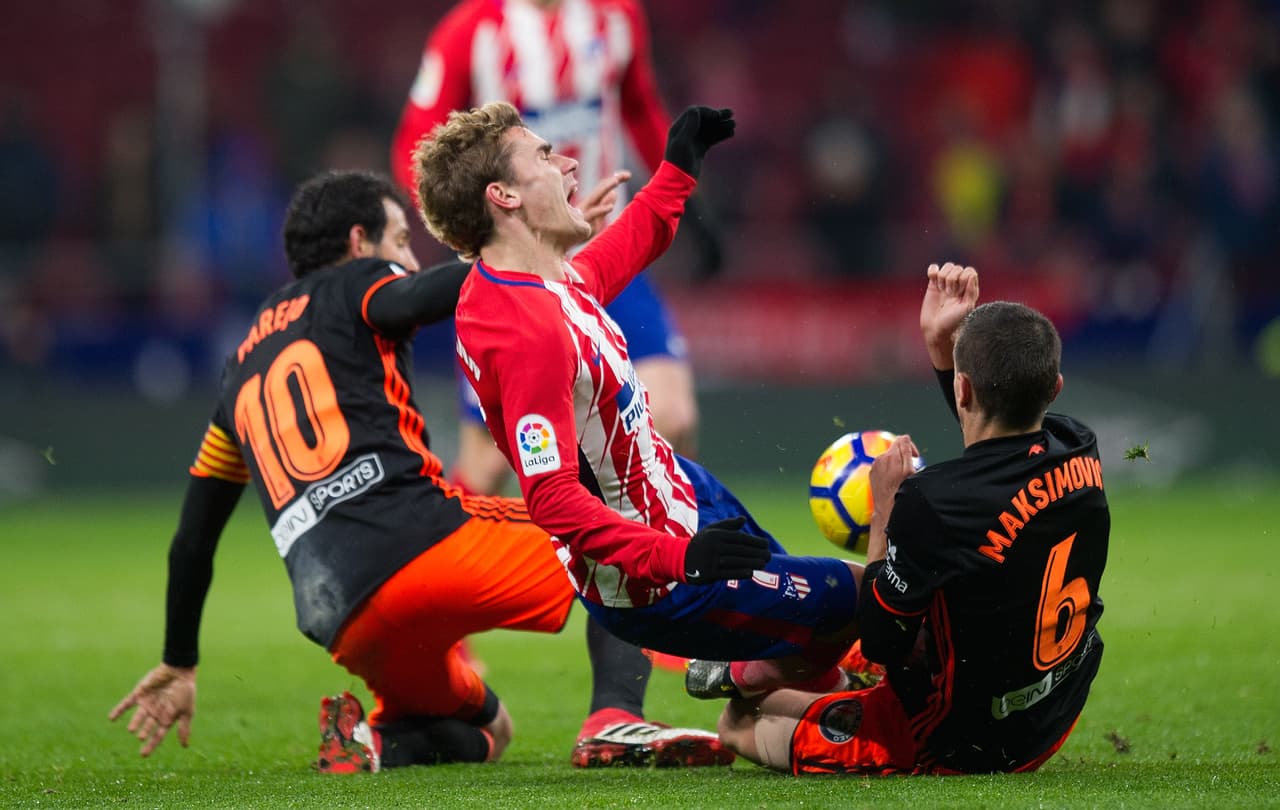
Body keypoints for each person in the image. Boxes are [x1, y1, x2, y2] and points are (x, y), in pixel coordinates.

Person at [108, 169, 733, 773]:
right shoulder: (357, 281)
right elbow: (425, 293)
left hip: (340, 614)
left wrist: (179, 661)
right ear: (359, 242)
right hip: (424, 548)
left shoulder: (240, 366)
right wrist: (535, 248)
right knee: (617, 526)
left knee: (489, 730)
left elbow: (193, 539)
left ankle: (371, 742)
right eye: (402, 240)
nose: (409, 260)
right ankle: (615, 719)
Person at [413, 101, 866, 699]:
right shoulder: (526, 332)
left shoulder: (534, 282)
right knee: (860, 599)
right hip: (659, 581)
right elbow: (552, 500)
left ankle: (752, 685)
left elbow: (622, 251)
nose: (569, 164)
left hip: (685, 494)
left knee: (815, 631)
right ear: (505, 196)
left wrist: (678, 170)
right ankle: (759, 689)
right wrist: (681, 558)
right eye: (544, 156)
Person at [713, 262, 1109, 775]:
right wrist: (943, 351)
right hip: (1055, 709)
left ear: (962, 390)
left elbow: (883, 642)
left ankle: (789, 680)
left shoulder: (930, 502)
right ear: (1054, 388)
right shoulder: (1077, 445)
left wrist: (885, 511)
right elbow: (996, 448)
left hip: (966, 743)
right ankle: (822, 677)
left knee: (739, 721)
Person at [390, 0, 719, 498]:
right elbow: (415, 145)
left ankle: (675, 540)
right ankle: (449, 546)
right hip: (518, 271)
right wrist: (466, 231)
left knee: (673, 416)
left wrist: (692, 207)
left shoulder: (617, 15)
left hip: (608, 250)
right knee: (485, 465)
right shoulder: (469, 32)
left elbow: (638, 107)